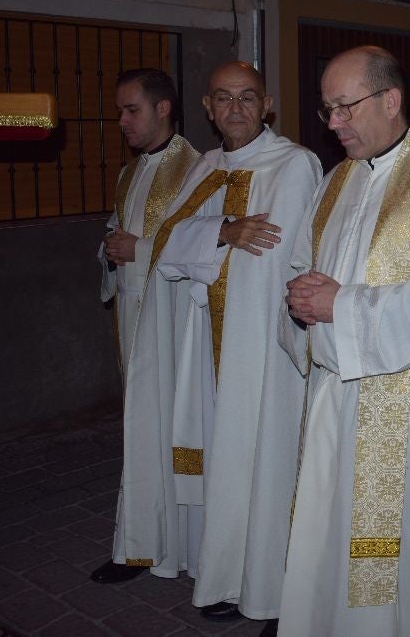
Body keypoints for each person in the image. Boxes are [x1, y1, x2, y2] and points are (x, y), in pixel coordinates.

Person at [278, 46, 410, 637]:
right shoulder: (333, 181)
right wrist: (299, 300)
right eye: (327, 110)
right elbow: (302, 266)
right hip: (330, 401)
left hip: (406, 408)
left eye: (345, 107)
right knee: (329, 541)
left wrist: (338, 305)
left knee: (405, 564)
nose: (334, 123)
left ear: (390, 100)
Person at [154, 60, 321, 623]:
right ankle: (228, 576)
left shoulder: (294, 165)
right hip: (208, 342)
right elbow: (165, 249)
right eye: (223, 98)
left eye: (247, 97)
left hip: (264, 343)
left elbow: (281, 256)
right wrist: (224, 232)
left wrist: (206, 247)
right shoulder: (203, 167)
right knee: (226, 459)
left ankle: (275, 592)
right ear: (207, 108)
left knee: (268, 459)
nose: (235, 109)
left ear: (267, 103)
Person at [93, 68, 199, 585]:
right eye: (118, 111)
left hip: (177, 326)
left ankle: (186, 549)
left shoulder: (199, 172)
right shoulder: (128, 173)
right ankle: (138, 544)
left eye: (131, 109)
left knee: (176, 435)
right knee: (140, 434)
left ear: (163, 109)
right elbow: (118, 234)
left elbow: (206, 251)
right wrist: (111, 251)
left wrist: (139, 249)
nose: (122, 122)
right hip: (134, 323)